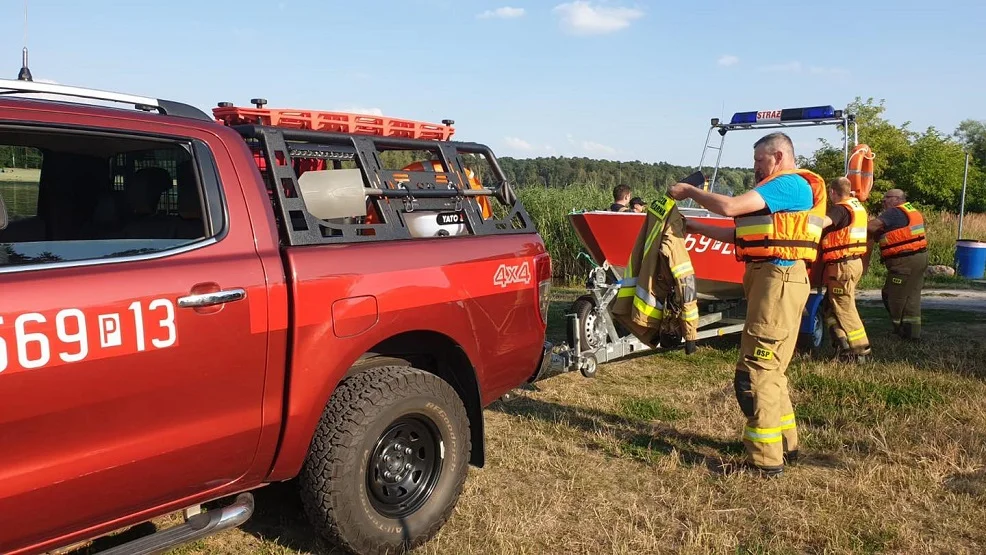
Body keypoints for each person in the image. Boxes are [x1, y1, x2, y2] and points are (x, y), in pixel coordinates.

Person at [668, 132, 826, 478]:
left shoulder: (789, 185)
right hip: (769, 279)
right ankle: (785, 445)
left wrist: (690, 192)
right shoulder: (780, 193)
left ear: (779, 157)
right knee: (772, 371)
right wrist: (690, 226)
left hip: (778, 281)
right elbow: (740, 234)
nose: (755, 169)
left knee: (757, 371)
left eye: (759, 162)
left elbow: (729, 208)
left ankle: (765, 461)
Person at [820, 177, 871, 362]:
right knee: (830, 306)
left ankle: (860, 350)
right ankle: (843, 346)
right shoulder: (857, 207)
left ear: (833, 192)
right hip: (852, 262)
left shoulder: (841, 208)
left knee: (844, 307)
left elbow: (822, 223)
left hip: (843, 265)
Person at [867, 188, 928, 340]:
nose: (883, 201)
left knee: (893, 296)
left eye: (886, 198)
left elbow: (870, 226)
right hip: (919, 258)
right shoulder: (910, 211)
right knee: (911, 297)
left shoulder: (894, 212)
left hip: (904, 262)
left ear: (897, 199)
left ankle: (899, 330)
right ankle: (912, 334)